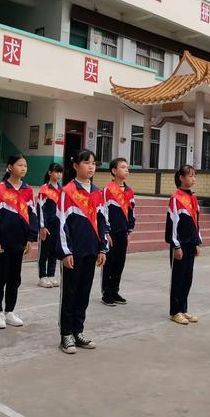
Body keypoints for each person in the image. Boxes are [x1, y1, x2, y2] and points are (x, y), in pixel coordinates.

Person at [57, 149, 108, 354]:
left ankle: (78, 331)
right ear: (76, 166)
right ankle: (66, 335)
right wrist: (66, 252)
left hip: (91, 251)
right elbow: (61, 223)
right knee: (69, 293)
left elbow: (103, 222)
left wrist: (103, 248)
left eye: (94, 163)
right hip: (73, 252)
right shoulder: (67, 191)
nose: (91, 167)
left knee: (84, 293)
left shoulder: (97, 192)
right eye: (86, 163)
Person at [0, 154, 38, 329]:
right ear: (10, 167)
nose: (23, 168)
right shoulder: (0, 190)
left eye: (25, 165)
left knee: (15, 278)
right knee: (1, 278)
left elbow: (33, 215)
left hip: (20, 241)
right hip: (3, 242)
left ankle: (9, 311)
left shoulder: (28, 190)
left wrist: (31, 238)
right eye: (19, 165)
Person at [165, 165, 202, 325]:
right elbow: (172, 224)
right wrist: (176, 245)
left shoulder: (193, 198)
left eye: (194, 176)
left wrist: (197, 242)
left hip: (191, 244)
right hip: (179, 246)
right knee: (178, 279)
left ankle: (183, 309)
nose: (193, 179)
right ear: (181, 177)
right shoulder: (175, 199)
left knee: (188, 278)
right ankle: (175, 311)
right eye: (190, 176)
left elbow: (196, 223)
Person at [101, 158, 135, 306]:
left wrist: (130, 229)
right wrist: (106, 231)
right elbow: (103, 211)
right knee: (109, 262)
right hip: (111, 233)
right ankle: (106, 293)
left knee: (120, 262)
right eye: (122, 167)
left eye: (127, 167)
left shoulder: (129, 191)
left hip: (123, 232)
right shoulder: (107, 190)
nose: (126, 170)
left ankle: (115, 290)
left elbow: (132, 211)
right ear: (114, 171)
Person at [37, 163, 63, 288]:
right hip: (46, 225)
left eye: (60, 172)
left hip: (57, 225)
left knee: (54, 250)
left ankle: (51, 275)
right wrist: (42, 226)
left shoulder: (61, 190)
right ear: (49, 173)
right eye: (56, 172)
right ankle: (42, 276)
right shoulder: (44, 189)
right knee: (44, 251)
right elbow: (40, 208)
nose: (58, 175)